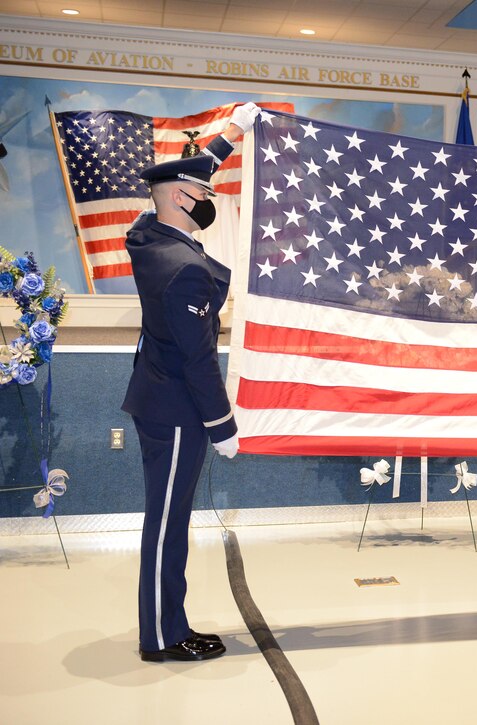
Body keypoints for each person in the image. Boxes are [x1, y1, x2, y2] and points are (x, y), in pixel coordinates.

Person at [123, 101, 262, 662]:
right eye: (202, 195)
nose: (208, 200)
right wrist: (222, 424)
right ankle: (161, 636)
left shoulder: (147, 236)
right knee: (167, 525)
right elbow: (200, 358)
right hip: (180, 409)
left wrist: (230, 135)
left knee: (168, 520)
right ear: (181, 197)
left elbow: (191, 172)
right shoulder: (185, 269)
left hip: (155, 398)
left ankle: (168, 623)